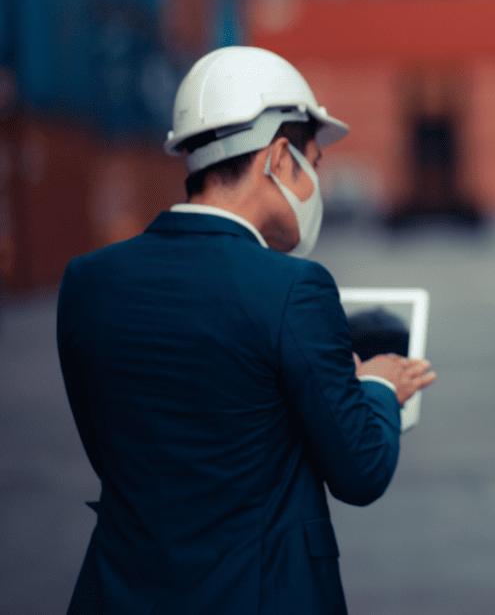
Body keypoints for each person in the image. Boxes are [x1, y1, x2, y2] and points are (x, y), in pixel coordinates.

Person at [57, 46, 436, 615]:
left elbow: (114, 448)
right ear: (279, 158)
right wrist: (379, 387)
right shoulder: (293, 289)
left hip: (118, 594)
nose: (316, 184)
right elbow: (361, 472)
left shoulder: (88, 281)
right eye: (314, 165)